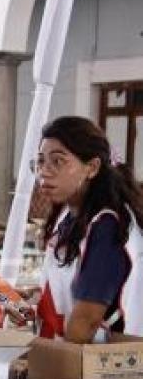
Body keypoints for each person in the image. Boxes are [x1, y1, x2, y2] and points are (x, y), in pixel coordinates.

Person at [34, 116, 143, 343]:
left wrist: (54, 367)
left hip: (113, 364)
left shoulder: (108, 225)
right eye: (41, 161)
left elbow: (87, 320)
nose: (44, 171)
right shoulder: (70, 216)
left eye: (58, 161)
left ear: (92, 167)